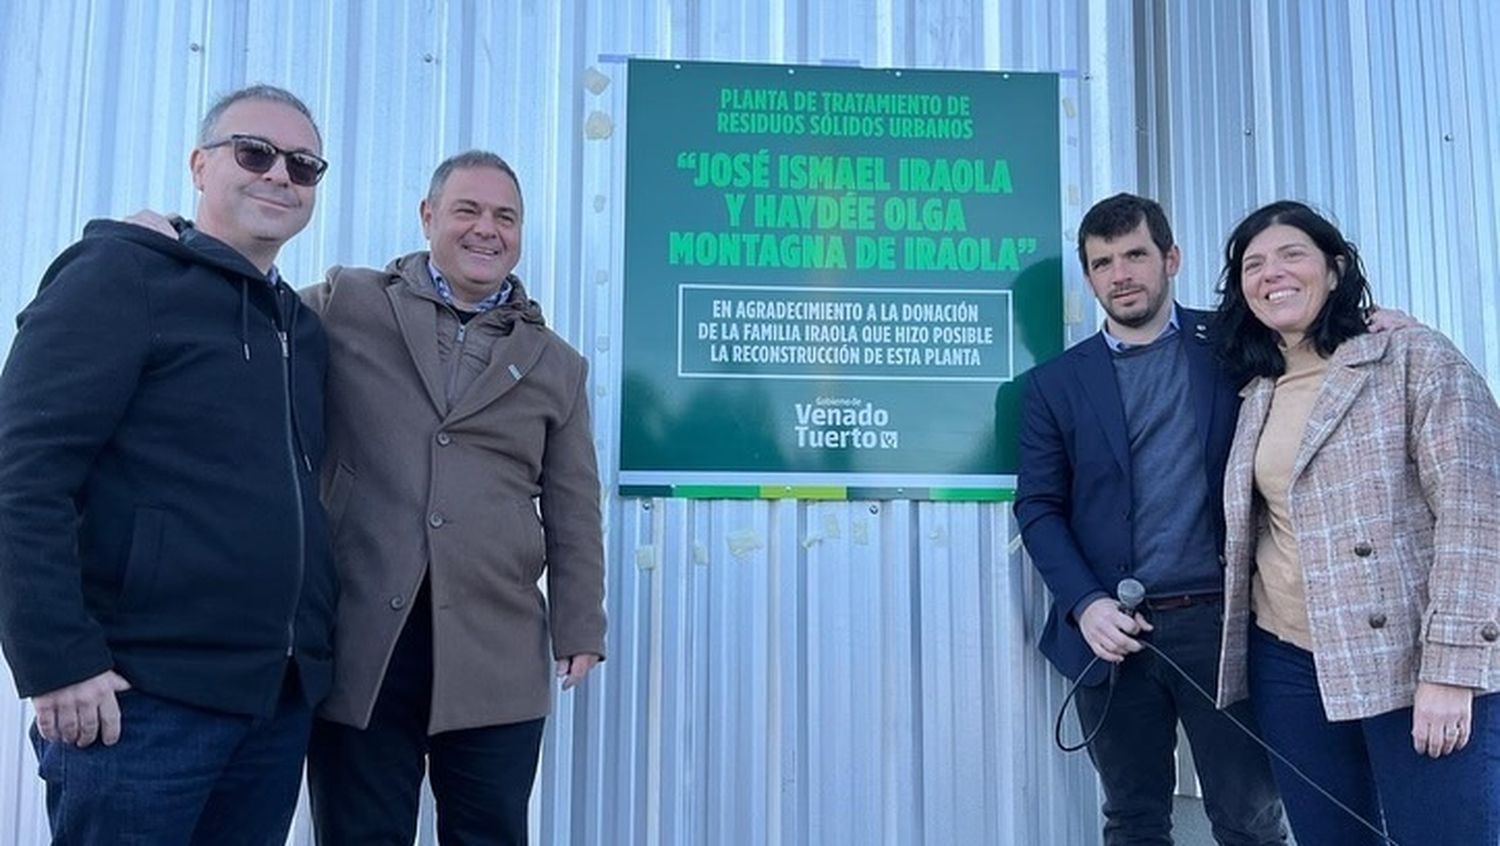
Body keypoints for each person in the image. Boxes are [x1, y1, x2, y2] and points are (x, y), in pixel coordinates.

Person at [0, 85, 336, 844]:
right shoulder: (122, 276)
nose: (280, 175)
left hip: (271, 705)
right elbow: (23, 469)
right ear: (199, 164)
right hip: (140, 705)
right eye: (254, 152)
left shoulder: (303, 331)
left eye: (304, 165)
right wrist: (55, 660)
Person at [298, 150, 606, 845]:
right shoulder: (349, 303)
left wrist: (581, 622)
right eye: (467, 210)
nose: (485, 230)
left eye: (506, 216)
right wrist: (175, 239)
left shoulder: (556, 365)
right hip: (364, 645)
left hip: (494, 650)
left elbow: (573, 505)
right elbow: (258, 313)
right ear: (429, 216)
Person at [1212, 200, 1500, 845]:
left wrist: (1452, 671)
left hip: (1409, 659)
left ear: (1335, 269)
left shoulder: (1412, 357)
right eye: (1253, 266)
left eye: (1292, 255)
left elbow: (1478, 516)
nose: (1272, 275)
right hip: (1287, 665)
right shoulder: (1256, 387)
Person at [1015, 193, 1287, 844]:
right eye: (1103, 262)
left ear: (1171, 258)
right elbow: (1038, 506)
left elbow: (1314, 341)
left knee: (1249, 820)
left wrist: (1375, 321)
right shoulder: (1056, 384)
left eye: (1135, 254)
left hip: (1226, 625)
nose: (1121, 273)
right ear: (1089, 276)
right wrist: (1086, 605)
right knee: (1133, 820)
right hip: (1113, 635)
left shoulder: (1232, 345)